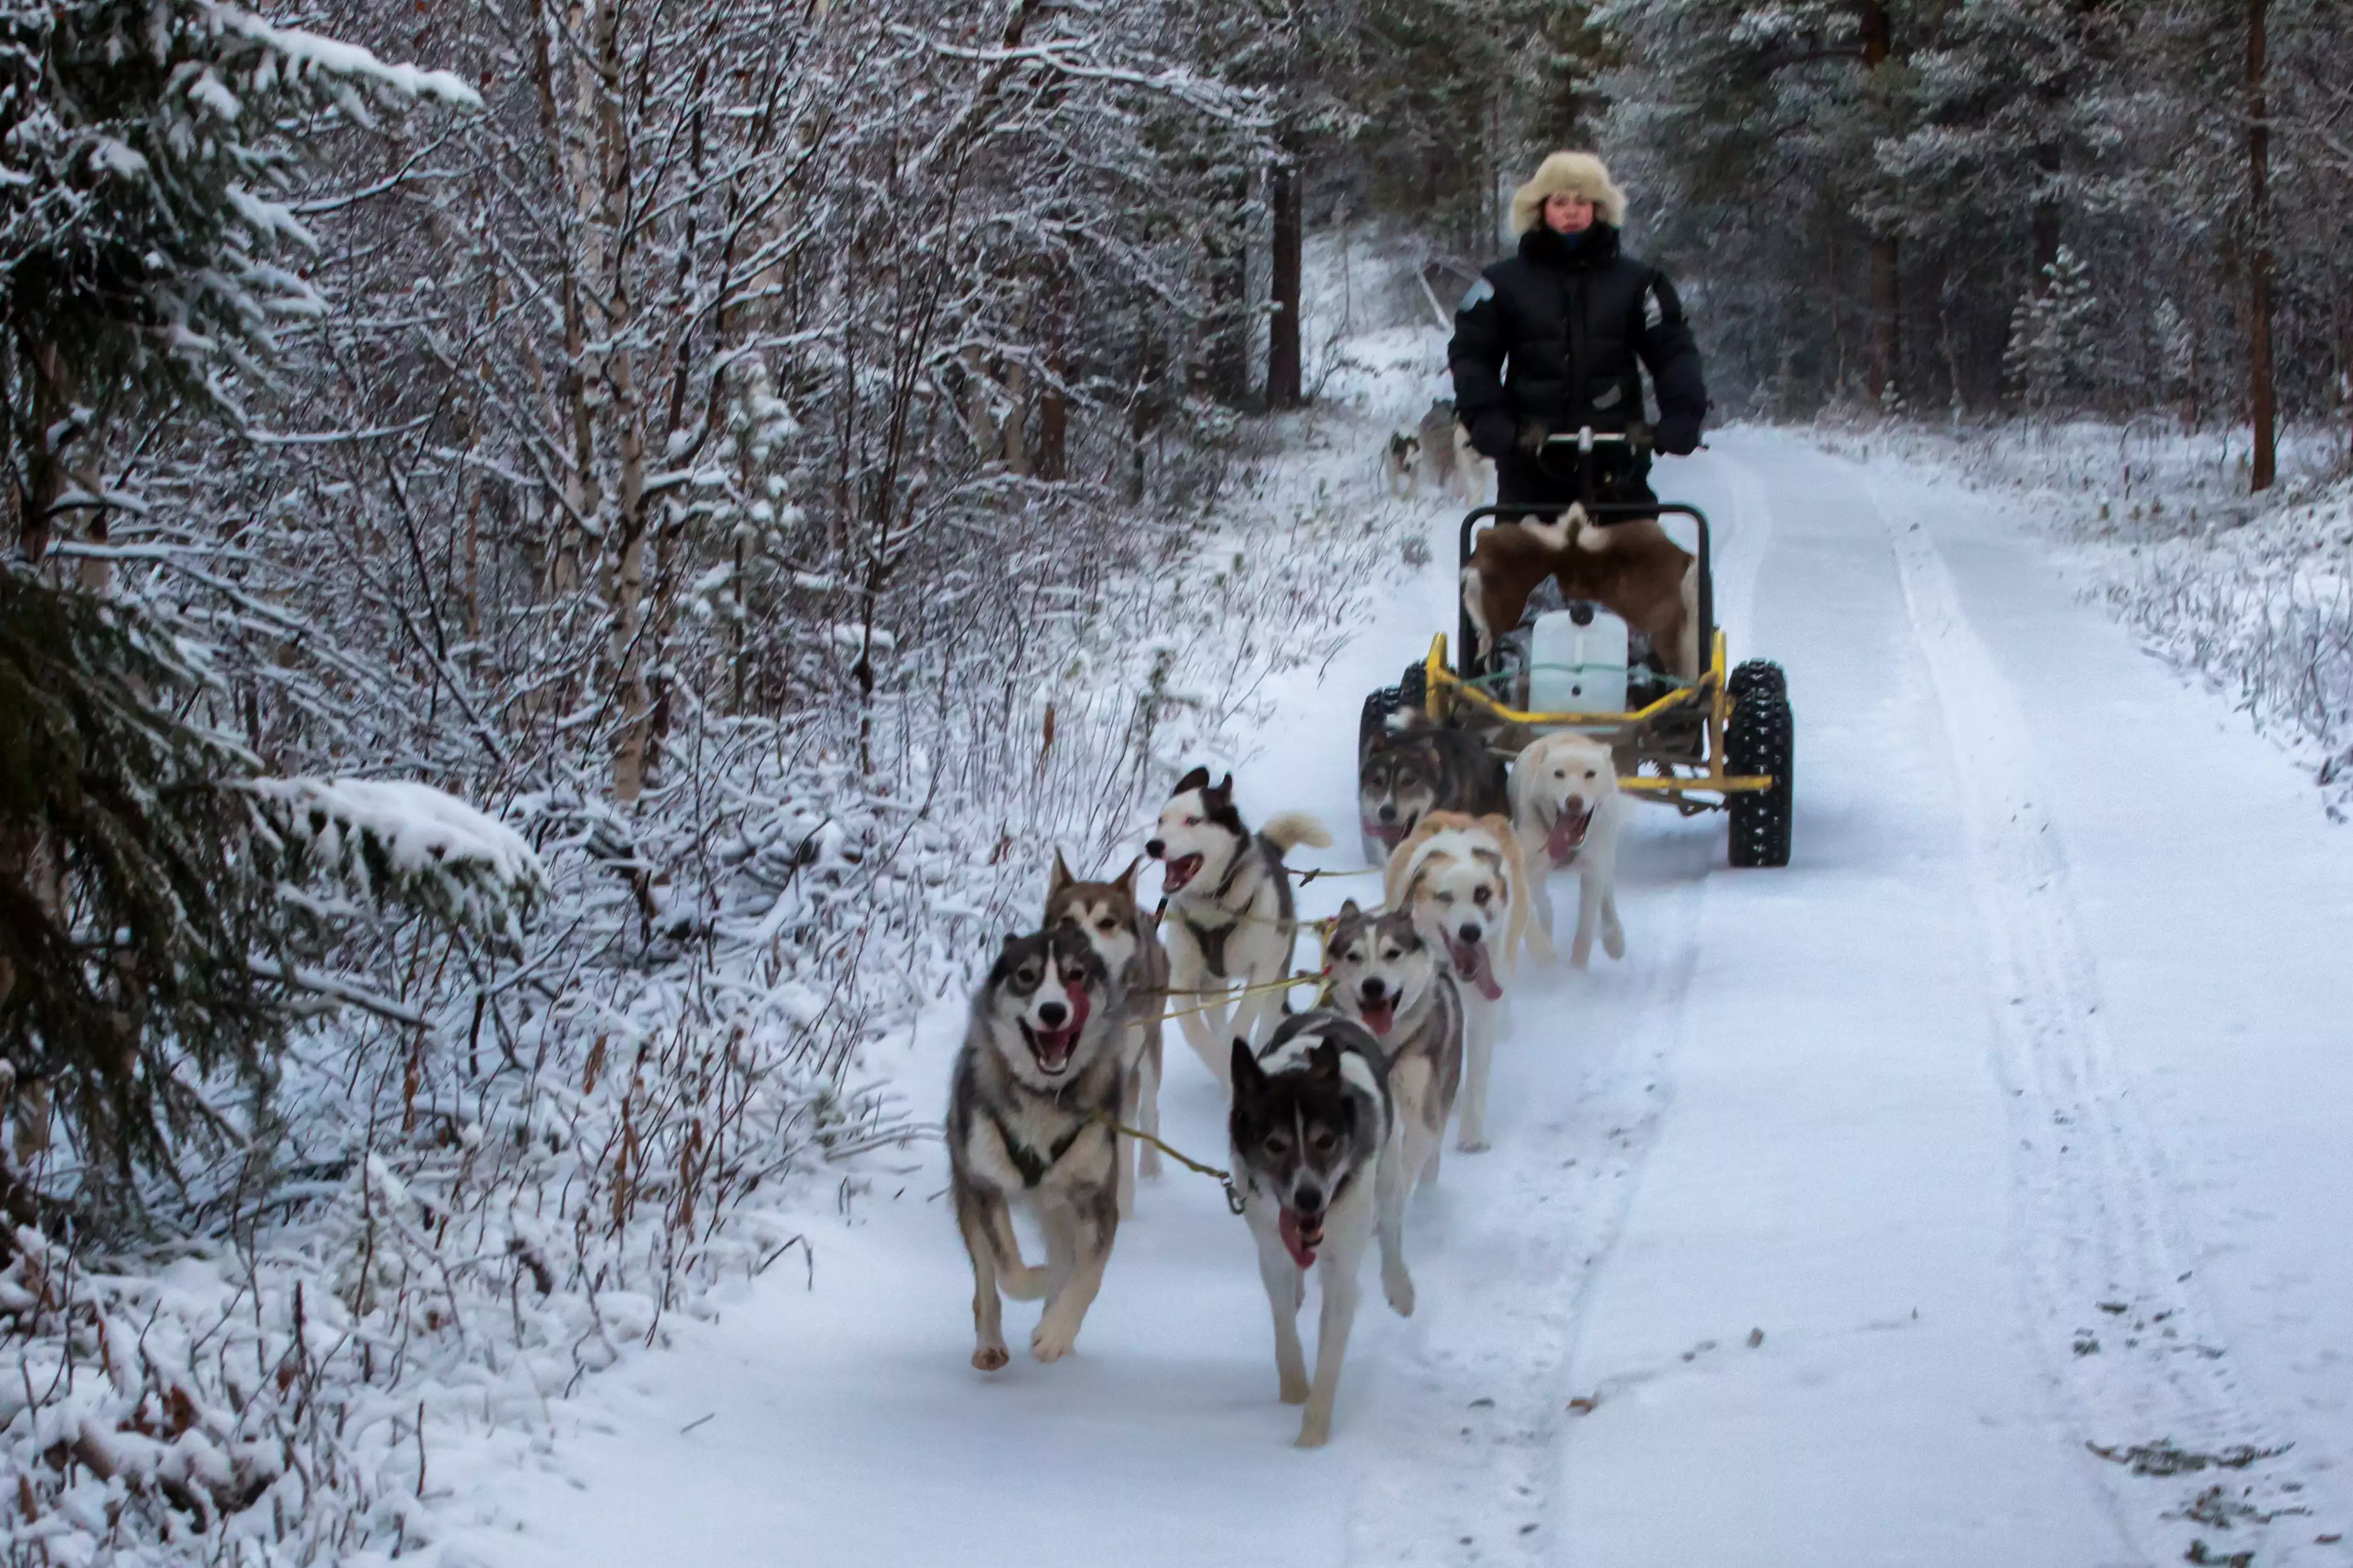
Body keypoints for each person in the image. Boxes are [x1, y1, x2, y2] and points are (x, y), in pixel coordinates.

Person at [1448, 152, 1708, 513]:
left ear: (1599, 209)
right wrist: (1485, 417)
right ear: (1539, 209)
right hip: (1530, 457)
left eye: (1582, 201)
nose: (1571, 211)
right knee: (1513, 564)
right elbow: (1472, 355)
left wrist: (1683, 413)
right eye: (1560, 202)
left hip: (1618, 458)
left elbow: (1673, 350)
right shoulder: (1499, 285)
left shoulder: (1641, 283)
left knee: (1643, 562)